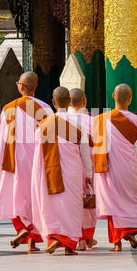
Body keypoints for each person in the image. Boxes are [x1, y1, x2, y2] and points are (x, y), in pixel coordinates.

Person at [0, 72, 53, 252]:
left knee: (14, 197)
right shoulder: (45, 109)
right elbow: (50, 138)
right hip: (37, 159)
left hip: (14, 159)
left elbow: (2, 139)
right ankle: (32, 241)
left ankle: (23, 228)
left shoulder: (8, 108)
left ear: (21, 86)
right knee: (34, 199)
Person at [31, 87, 93, 255]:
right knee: (72, 207)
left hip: (48, 174)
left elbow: (37, 154)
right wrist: (89, 175)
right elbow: (85, 153)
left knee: (53, 207)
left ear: (53, 102)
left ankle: (55, 237)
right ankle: (67, 245)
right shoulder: (79, 123)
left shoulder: (43, 125)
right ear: (70, 102)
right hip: (73, 172)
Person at [93, 84, 137, 251]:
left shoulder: (100, 119)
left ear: (113, 96)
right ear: (130, 98)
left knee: (113, 202)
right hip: (129, 168)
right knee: (129, 201)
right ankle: (129, 232)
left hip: (109, 168)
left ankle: (117, 243)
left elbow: (93, 146)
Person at [68, 88, 97, 251]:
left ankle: (77, 238)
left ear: (68, 102)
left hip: (69, 167)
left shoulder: (63, 121)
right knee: (89, 205)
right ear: (84, 101)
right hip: (90, 168)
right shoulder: (93, 122)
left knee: (73, 203)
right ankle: (88, 238)